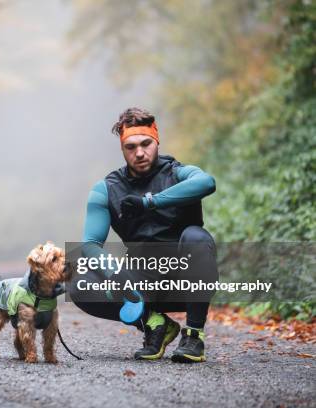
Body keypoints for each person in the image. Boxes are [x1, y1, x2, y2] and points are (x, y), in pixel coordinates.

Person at [69, 107, 218, 363]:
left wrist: (150, 202)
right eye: (130, 146)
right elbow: (90, 246)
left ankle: (194, 336)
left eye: (146, 144)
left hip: (186, 279)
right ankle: (154, 323)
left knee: (197, 236)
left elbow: (207, 183)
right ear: (122, 149)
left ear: (156, 140)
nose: (139, 152)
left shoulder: (178, 172)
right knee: (78, 281)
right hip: (141, 281)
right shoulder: (106, 189)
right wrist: (117, 275)